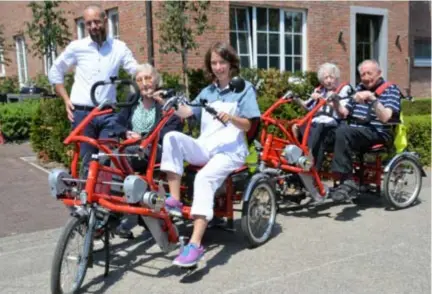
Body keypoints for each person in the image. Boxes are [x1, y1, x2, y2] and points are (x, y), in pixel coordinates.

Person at [160, 42, 261, 267]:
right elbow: (188, 113)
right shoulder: (208, 91)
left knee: (204, 178)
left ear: (231, 63)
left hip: (230, 151)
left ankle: (195, 245)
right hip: (206, 146)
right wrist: (169, 102)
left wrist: (231, 118)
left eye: (222, 62)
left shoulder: (244, 89)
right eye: (214, 63)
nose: (217, 67)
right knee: (171, 138)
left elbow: (249, 125)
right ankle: (174, 199)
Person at [48, 4, 138, 169]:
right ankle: (85, 195)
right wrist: (66, 99)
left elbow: (135, 70)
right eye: (88, 23)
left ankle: (102, 194)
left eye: (96, 22)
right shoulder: (77, 47)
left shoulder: (119, 48)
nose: (93, 27)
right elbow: (55, 71)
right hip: (83, 113)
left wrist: (151, 82)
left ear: (105, 21)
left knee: (106, 159)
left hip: (107, 113)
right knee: (87, 161)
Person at [113, 63, 183, 238]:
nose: (144, 83)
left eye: (148, 78)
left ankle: (120, 213)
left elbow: (173, 127)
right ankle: (116, 210)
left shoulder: (166, 98)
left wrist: (146, 138)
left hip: (157, 149)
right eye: (140, 79)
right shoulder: (132, 100)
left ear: (156, 79)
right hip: (133, 147)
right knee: (105, 157)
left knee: (119, 158)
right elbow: (116, 123)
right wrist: (126, 132)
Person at [330, 59, 401, 200]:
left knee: (344, 131)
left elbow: (386, 117)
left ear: (379, 73)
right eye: (363, 74)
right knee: (324, 131)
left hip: (378, 132)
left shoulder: (391, 89)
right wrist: (336, 102)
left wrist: (372, 98)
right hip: (356, 132)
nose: (366, 78)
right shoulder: (359, 89)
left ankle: (346, 181)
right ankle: (309, 179)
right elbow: (344, 113)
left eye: (369, 73)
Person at [293, 63, 354, 171]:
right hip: (316, 123)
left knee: (319, 128)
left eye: (331, 77)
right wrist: (296, 99)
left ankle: (312, 168)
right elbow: (308, 106)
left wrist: (322, 99)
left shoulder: (344, 89)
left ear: (336, 77)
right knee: (295, 126)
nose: (329, 81)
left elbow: (342, 110)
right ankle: (295, 161)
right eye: (326, 78)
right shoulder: (320, 90)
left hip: (333, 125)